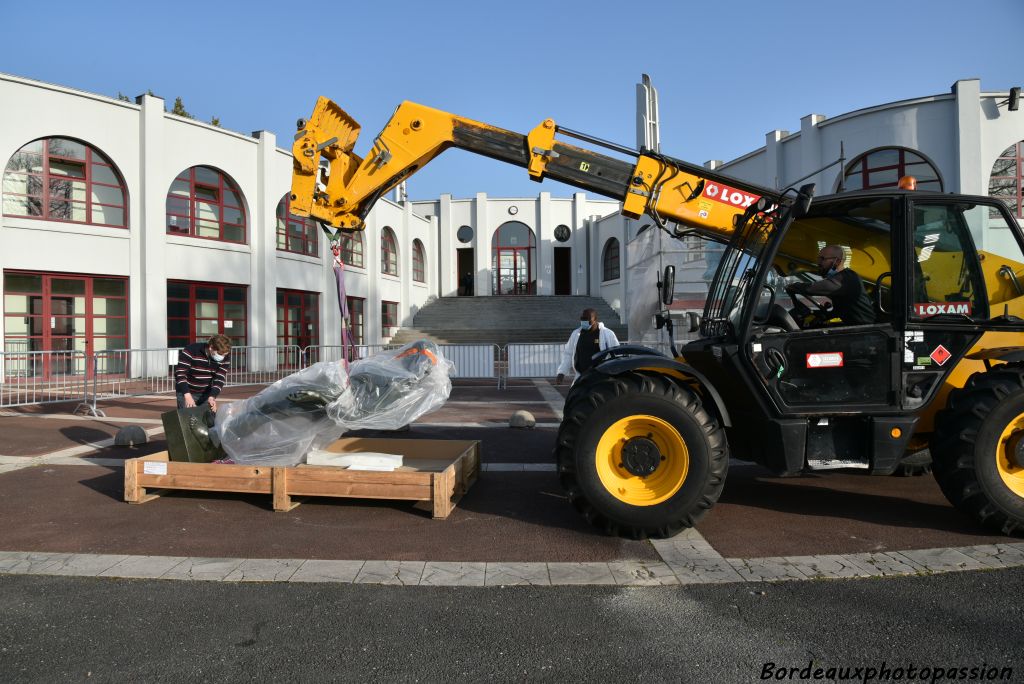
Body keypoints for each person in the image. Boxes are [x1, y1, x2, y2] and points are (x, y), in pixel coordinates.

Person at [786, 245, 875, 326]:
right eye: (818, 259)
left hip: (864, 330)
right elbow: (843, 309)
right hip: (856, 326)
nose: (818, 263)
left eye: (822, 259)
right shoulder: (842, 277)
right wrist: (824, 315)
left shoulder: (845, 278)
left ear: (837, 261)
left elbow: (811, 288)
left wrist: (793, 286)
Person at [555, 308, 620, 385]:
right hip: (581, 377)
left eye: (587, 319)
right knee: (576, 396)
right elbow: (568, 354)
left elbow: (617, 354)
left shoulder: (607, 334)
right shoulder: (576, 334)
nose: (584, 321)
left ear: (595, 319)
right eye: (582, 319)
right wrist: (561, 373)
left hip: (600, 377)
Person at [175, 334, 232, 411]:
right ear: (211, 347)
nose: (222, 357)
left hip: (205, 392)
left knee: (207, 420)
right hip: (186, 391)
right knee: (187, 420)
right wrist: (187, 396)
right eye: (220, 354)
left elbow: (219, 379)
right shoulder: (191, 350)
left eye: (225, 355)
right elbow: (180, 373)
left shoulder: (225, 357)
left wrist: (212, 397)